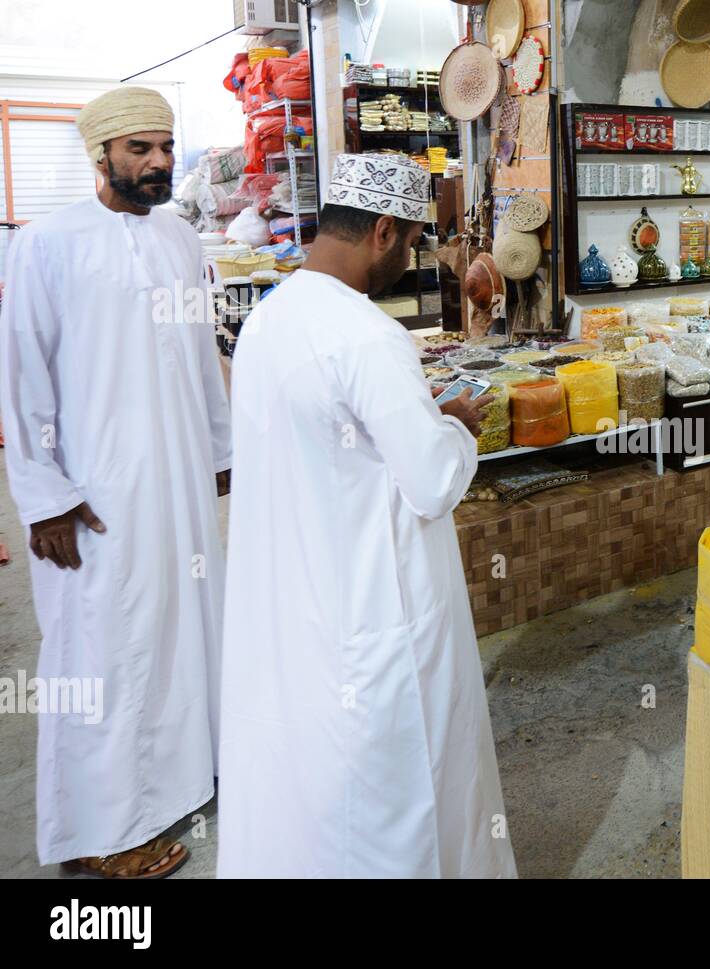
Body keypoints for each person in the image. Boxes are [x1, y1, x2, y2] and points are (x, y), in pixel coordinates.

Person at [217, 154, 517, 878]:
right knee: (398, 788)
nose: (412, 257)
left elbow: (329, 442)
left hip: (299, 602)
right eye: (413, 242)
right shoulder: (369, 334)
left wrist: (420, 413)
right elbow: (433, 479)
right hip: (374, 609)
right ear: (383, 230)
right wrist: (455, 428)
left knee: (312, 785)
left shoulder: (270, 318)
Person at [0, 87, 231, 878]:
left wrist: (219, 451)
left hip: (178, 483)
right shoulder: (47, 244)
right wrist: (45, 497)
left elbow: (201, 361)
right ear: (101, 156)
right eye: (140, 149)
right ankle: (98, 830)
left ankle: (182, 776)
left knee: (185, 628)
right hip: (92, 494)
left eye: (165, 146)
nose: (159, 162)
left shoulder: (179, 239)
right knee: (100, 651)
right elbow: (22, 378)